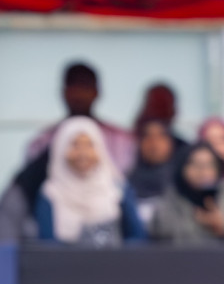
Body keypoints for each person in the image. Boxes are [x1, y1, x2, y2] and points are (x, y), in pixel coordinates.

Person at [34, 117, 144, 246]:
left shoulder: (117, 190)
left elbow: (137, 240)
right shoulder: (50, 194)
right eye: (75, 145)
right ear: (61, 149)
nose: (83, 153)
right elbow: (47, 247)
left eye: (89, 145)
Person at [24, 61, 135, 173]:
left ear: (96, 93)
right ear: (63, 93)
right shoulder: (42, 143)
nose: (79, 94)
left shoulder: (123, 141)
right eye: (73, 87)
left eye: (84, 87)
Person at [146, 143, 224, 245]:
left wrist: (220, 227)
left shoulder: (221, 197)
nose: (203, 171)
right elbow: (160, 236)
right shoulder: (169, 201)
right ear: (182, 167)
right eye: (196, 164)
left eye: (209, 165)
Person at [127, 117, 180, 222]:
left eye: (160, 136)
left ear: (170, 142)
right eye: (148, 137)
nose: (154, 144)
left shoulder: (182, 180)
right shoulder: (127, 182)